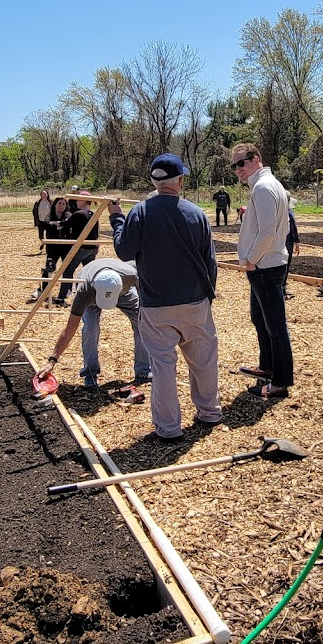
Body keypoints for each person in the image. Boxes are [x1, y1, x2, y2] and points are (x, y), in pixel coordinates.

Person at [108, 153, 223, 442]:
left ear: (153, 180)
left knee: (162, 366)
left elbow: (124, 251)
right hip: (195, 300)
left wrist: (116, 218)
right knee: (204, 359)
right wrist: (208, 295)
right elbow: (210, 261)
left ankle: (169, 429)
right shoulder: (196, 213)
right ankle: (209, 412)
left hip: (156, 304)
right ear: (181, 181)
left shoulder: (140, 212)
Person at [34, 258, 152, 395]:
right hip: (92, 292)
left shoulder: (132, 275)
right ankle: (90, 374)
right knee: (90, 328)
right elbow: (69, 329)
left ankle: (143, 370)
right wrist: (52, 360)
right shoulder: (84, 291)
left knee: (143, 322)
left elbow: (145, 298)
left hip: (123, 292)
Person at [231, 143, 293, 399]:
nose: (238, 170)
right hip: (266, 264)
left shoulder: (264, 187)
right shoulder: (267, 185)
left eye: (241, 164)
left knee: (275, 326)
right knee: (261, 320)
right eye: (234, 166)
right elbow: (285, 226)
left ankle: (280, 382)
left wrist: (252, 259)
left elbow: (268, 231)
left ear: (256, 159)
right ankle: (267, 367)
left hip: (266, 266)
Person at [58, 191, 100, 301]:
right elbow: (96, 232)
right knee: (89, 273)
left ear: (83, 201)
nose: (76, 201)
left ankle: (61, 297)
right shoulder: (94, 214)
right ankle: (91, 296)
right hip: (92, 248)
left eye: (78, 199)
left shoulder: (79, 214)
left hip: (81, 248)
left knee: (68, 270)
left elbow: (65, 226)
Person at [31, 196, 71, 303]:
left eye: (63, 204)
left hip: (65, 246)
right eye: (59, 203)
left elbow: (68, 223)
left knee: (67, 269)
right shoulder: (50, 215)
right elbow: (46, 224)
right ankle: (43, 291)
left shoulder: (68, 214)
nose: (61, 205)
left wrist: (56, 224)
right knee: (49, 268)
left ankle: (66, 290)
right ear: (55, 205)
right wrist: (59, 225)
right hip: (52, 247)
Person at [282, 191, 300, 300]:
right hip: (288, 241)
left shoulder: (276, 211)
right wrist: (297, 242)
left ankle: (280, 288)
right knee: (286, 264)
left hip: (278, 242)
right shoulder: (289, 213)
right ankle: (282, 288)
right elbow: (293, 229)